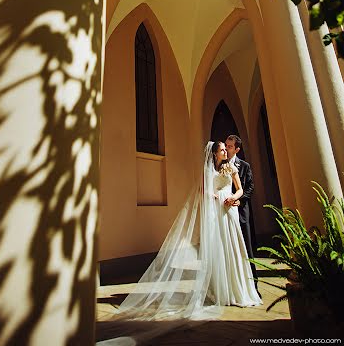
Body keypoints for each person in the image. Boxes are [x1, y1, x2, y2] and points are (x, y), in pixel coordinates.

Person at [96, 141, 261, 345]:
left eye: (226, 149)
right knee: (220, 251)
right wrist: (216, 196)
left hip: (230, 213)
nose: (225, 151)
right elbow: (202, 190)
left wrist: (234, 198)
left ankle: (238, 288)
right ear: (214, 153)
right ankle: (221, 289)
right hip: (217, 212)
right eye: (222, 149)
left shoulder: (232, 168)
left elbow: (240, 189)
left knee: (234, 250)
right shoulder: (207, 170)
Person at [225, 134, 259, 292]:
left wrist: (241, 199)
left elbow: (250, 187)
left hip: (240, 211)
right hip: (224, 213)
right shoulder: (219, 165)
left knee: (246, 247)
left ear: (237, 149)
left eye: (230, 146)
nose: (226, 148)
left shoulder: (244, 166)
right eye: (226, 145)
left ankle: (253, 285)